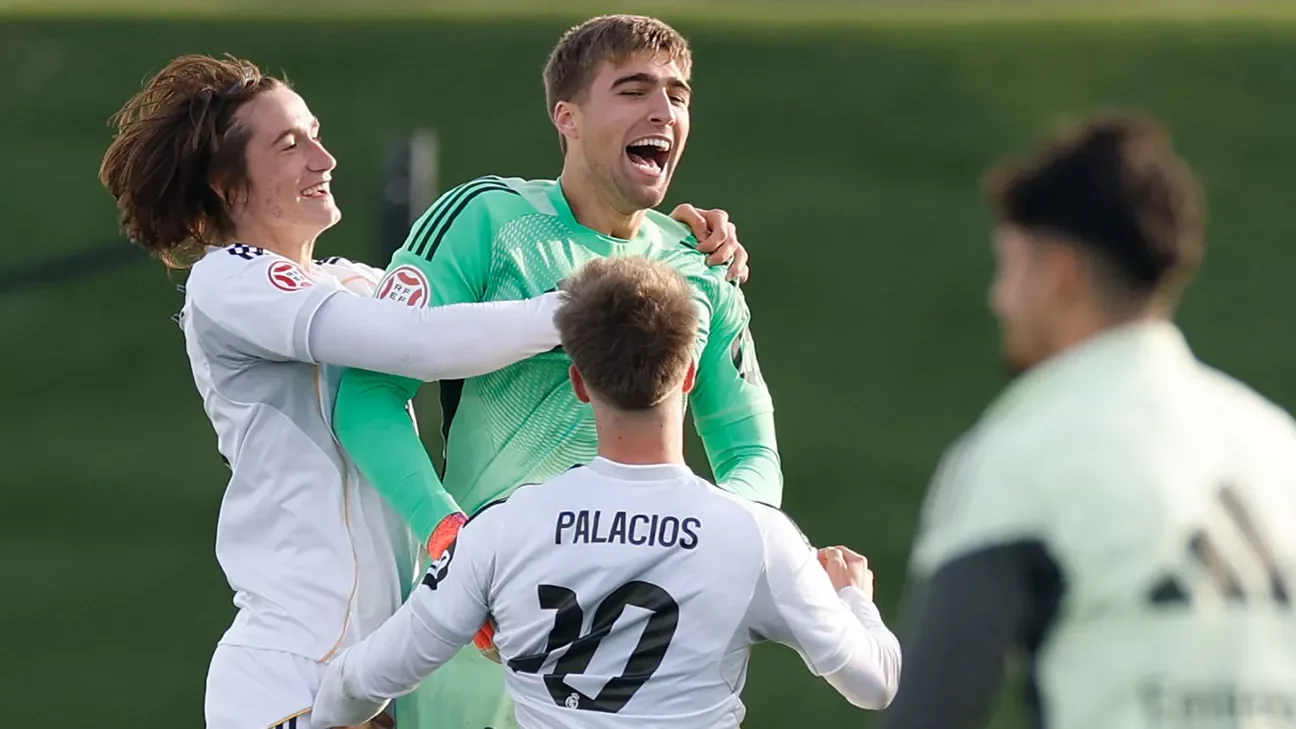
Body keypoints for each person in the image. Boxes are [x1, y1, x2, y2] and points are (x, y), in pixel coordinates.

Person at [97, 54, 749, 729]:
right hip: (287, 679)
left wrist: (668, 246)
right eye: (291, 145)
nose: (324, 157)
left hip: (374, 688)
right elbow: (423, 341)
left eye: (317, 133)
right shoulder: (228, 280)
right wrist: (593, 302)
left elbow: (468, 315)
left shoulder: (345, 280)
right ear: (227, 186)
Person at [331, 15, 783, 728]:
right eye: (633, 90)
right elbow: (366, 398)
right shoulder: (487, 221)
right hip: (482, 642)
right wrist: (450, 538)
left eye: (677, 94)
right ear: (566, 117)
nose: (663, 110)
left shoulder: (703, 266)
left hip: (637, 650)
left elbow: (750, 452)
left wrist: (716, 546)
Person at [312, 256, 901, 729]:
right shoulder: (757, 536)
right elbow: (876, 684)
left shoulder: (501, 531)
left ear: (578, 383)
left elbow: (359, 683)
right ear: (690, 375)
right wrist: (856, 601)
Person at [881, 114, 1296, 729]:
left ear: (1061, 275)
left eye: (1011, 265)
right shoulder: (1275, 443)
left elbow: (934, 712)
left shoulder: (1022, 451)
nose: (998, 297)